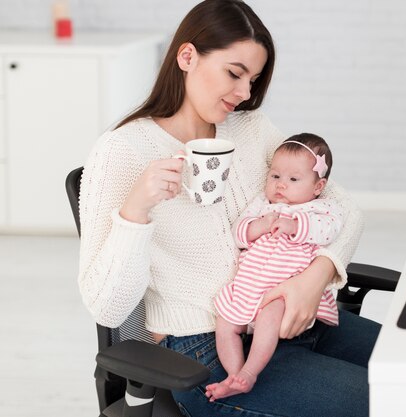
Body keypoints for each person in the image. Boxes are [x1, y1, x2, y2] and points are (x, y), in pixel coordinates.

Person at [78, 1, 379, 416]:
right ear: (187, 57)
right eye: (234, 73)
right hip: (204, 348)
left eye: (253, 80)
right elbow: (106, 307)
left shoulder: (250, 129)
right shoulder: (121, 152)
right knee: (386, 400)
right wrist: (136, 210)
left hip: (292, 316)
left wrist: (315, 278)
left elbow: (345, 207)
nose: (245, 94)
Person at [210, 133, 342, 401]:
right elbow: (239, 232)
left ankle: (250, 370)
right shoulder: (262, 205)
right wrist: (259, 225)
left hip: (282, 292)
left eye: (293, 179)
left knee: (270, 314)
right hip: (248, 287)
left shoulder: (319, 208)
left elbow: (329, 230)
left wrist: (295, 226)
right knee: (225, 321)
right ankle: (235, 375)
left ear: (318, 186)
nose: (281, 185)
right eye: (275, 176)